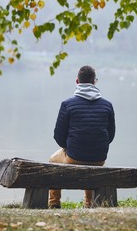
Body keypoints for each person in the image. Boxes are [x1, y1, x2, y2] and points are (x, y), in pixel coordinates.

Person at [48, 65, 116, 209]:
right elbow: (111, 136)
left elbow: (58, 136)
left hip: (74, 156)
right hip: (99, 159)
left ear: (77, 82)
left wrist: (69, 146)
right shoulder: (107, 105)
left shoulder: (67, 104)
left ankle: (54, 203)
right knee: (89, 158)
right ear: (94, 82)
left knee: (52, 161)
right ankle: (88, 203)